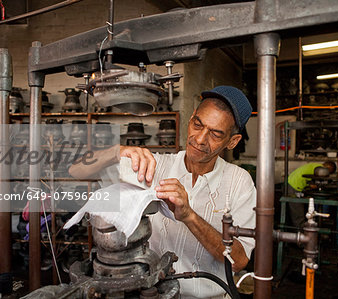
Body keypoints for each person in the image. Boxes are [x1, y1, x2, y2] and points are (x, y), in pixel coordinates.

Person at [69, 86, 256, 299]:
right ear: (192, 117)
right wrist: (116, 151)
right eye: (198, 124)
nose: (200, 139)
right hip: (153, 294)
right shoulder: (154, 165)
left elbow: (239, 260)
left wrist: (190, 217)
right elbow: (76, 170)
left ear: (232, 141)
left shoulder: (239, 182)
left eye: (215, 133)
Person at [287, 161, 336, 227]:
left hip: (293, 183)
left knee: (299, 210)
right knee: (297, 211)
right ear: (328, 168)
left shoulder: (315, 165)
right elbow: (313, 185)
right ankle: (300, 231)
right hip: (293, 185)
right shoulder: (319, 169)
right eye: (328, 173)